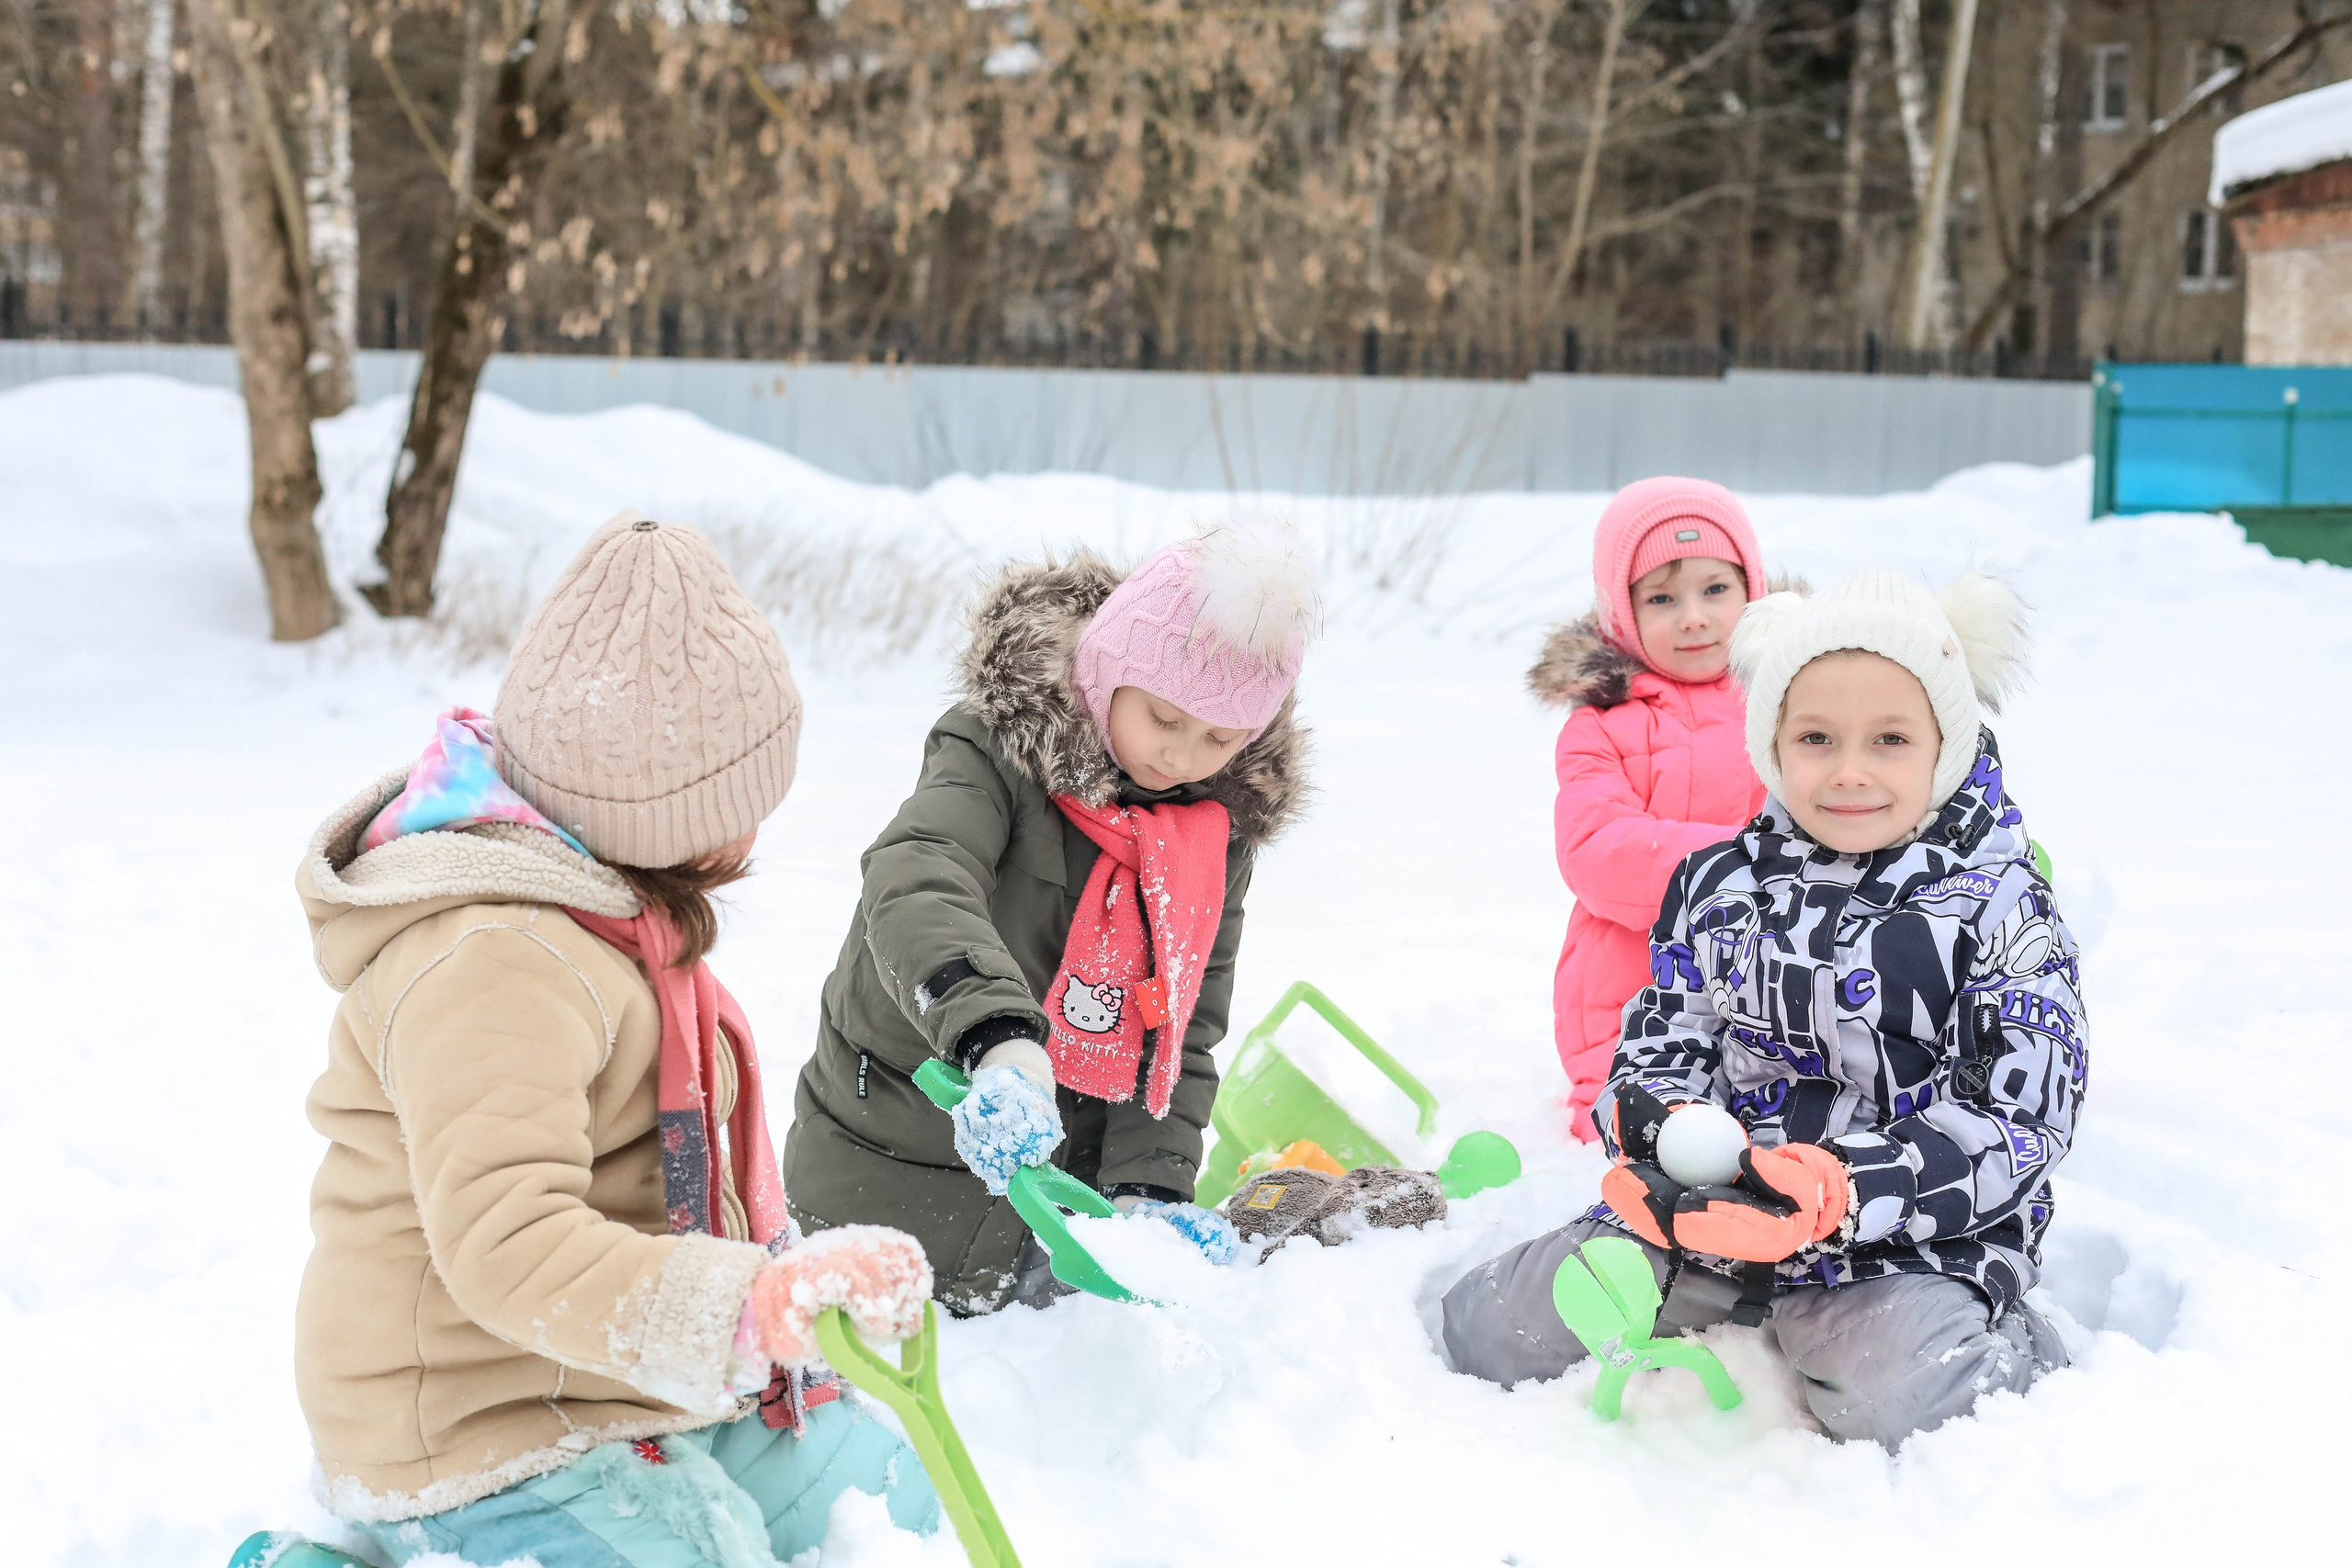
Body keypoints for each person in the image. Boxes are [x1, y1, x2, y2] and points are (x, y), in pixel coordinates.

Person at [294, 514, 940, 1565]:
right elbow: (508, 1243)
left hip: (610, 1369)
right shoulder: (495, 961)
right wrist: (745, 1306)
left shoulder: (609, 916)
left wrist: (760, 1307)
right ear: (662, 812)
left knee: (879, 1502)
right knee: (698, 1552)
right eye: (739, 798)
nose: (759, 825)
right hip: (470, 1417)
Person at [1446, 569, 2084, 1450]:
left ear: (1946, 744)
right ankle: (1722, 1290)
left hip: (1898, 1236)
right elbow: (1663, 1036)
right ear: (1772, 744)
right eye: (1817, 737)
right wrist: (1657, 1129)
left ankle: (2013, 1347)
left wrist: (1851, 1187)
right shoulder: (1719, 885)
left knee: (1896, 1394)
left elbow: (2021, 1115)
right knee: (1492, 1327)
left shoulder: (1998, 905)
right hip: (1708, 1213)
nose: (1850, 771)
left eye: (1890, 739)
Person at [785, 524, 1318, 1313]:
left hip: (1053, 1217)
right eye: (1164, 719)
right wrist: (996, 1039)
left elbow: (1184, 1021)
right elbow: (917, 874)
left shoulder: (1210, 831)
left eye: (1220, 737)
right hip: (893, 1169)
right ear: (1109, 671)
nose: (1181, 757)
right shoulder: (995, 751)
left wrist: (1148, 1190)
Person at [1530, 478, 1770, 1137]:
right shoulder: (1601, 724)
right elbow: (1596, 850)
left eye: (1716, 589)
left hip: (1772, 995)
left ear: (1755, 591)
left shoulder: (1789, 703)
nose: (1693, 616)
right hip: (1630, 1002)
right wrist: (1751, 861)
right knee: (1651, 1152)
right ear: (1622, 611)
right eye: (1662, 597)